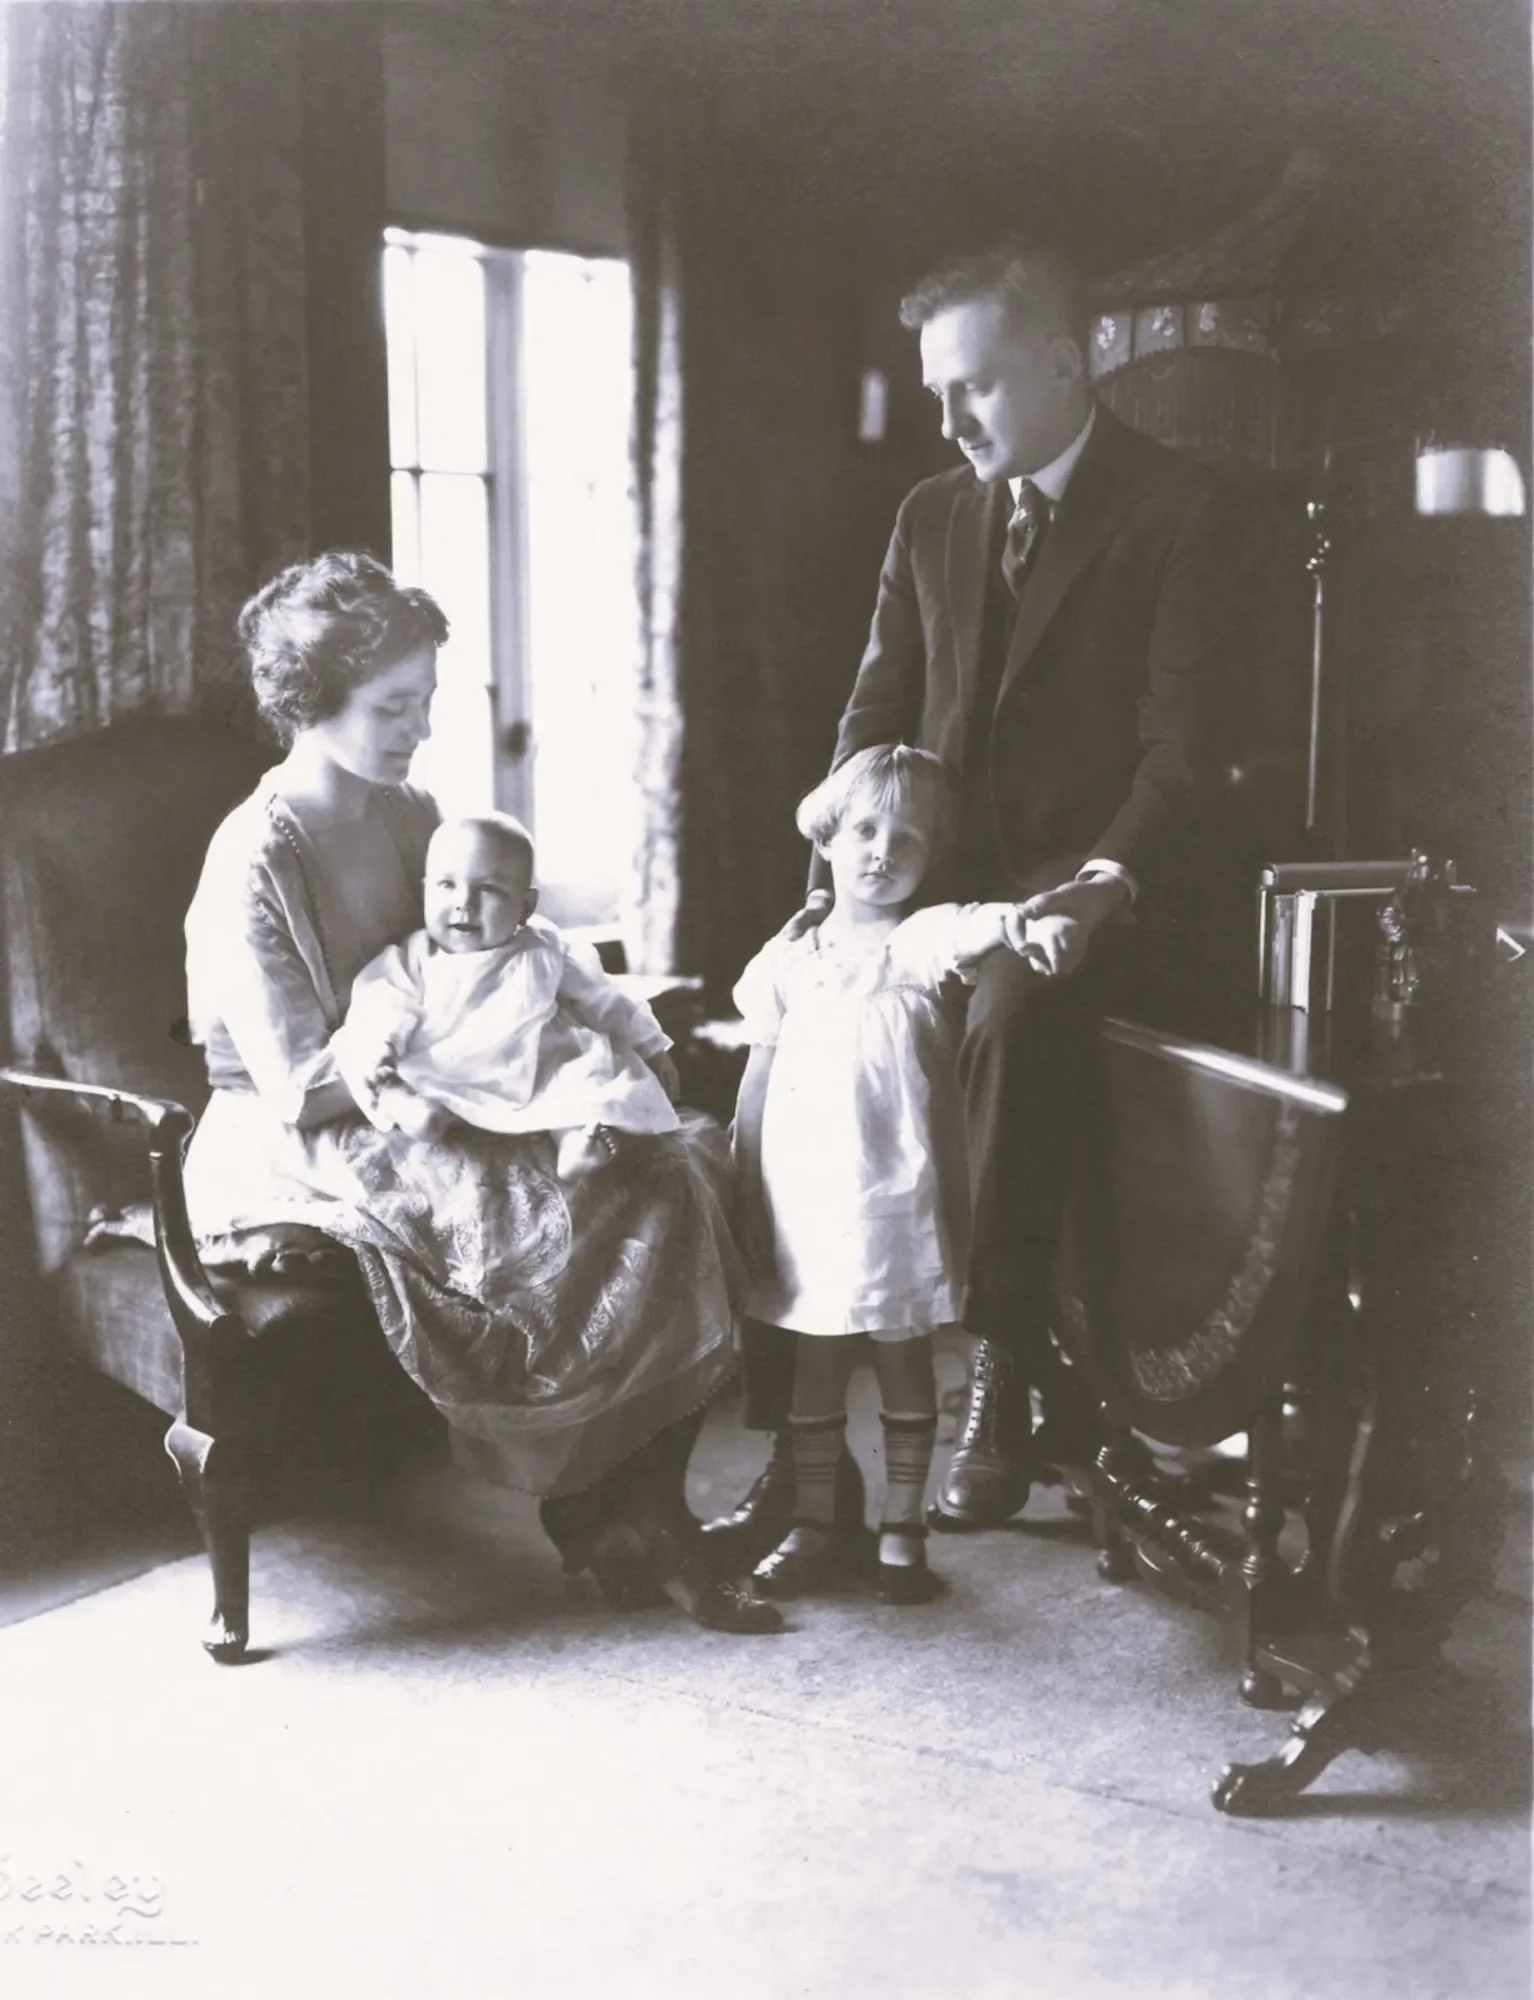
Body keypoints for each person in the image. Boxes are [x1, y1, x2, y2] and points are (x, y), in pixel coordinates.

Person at [706, 240, 1236, 1550]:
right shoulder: (932, 515)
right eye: (935, 391)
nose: (946, 422)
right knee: (793, 1026)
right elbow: (879, 708)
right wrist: (834, 862)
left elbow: (1183, 748)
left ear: (1067, 362)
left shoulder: (1180, 509)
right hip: (924, 878)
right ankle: (798, 1432)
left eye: (977, 388)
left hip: (1092, 882)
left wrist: (1103, 882)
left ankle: (1001, 1362)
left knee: (1005, 1009)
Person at [183, 551, 780, 1634]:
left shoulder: (413, 810)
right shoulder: (252, 858)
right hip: (314, 1124)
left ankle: (633, 1503)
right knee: (536, 1208)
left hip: (451, 1091)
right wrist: (465, 1097)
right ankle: (603, 1507)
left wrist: (561, 1059)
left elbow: (486, 967)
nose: (418, 729)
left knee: (671, 1162)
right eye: (392, 706)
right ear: (310, 701)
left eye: (427, 701)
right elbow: (295, 1083)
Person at [731, 746, 1058, 1604]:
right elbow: (759, 1073)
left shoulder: (917, 942)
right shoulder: (790, 957)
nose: (883, 850)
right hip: (805, 1191)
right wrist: (743, 1175)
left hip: (893, 1194)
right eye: (866, 830)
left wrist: (1020, 922)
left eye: (908, 838)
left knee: (902, 1348)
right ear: (829, 839)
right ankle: (812, 1522)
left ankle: (902, 1527)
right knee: (817, 1357)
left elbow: (974, 924)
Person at [333, 811, 680, 1180]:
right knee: (358, 1049)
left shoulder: (546, 947)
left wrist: (652, 1047)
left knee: (580, 1078)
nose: (464, 902)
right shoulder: (417, 955)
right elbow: (385, 999)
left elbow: (605, 999)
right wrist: (385, 1044)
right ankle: (403, 1102)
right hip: (446, 1061)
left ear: (525, 907)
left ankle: (572, 1142)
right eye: (447, 885)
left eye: (489, 889)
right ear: (425, 890)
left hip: (531, 1063)